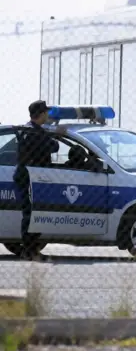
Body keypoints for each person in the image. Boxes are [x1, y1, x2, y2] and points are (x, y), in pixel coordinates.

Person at [13, 100, 65, 259]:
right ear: (41, 114)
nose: (48, 115)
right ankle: (29, 251)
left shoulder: (33, 130)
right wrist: (55, 133)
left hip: (34, 176)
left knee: (36, 212)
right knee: (30, 214)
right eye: (46, 113)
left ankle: (32, 249)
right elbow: (53, 146)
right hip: (29, 177)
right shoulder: (33, 132)